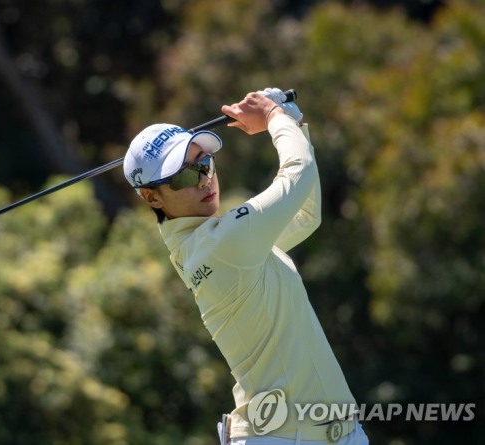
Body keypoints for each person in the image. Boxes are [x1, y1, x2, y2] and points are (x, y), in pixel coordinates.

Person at [123, 89, 369, 444]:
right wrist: (274, 117)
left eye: (204, 163)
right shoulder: (222, 243)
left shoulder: (211, 243)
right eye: (185, 176)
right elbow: (296, 173)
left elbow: (305, 214)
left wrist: (293, 123)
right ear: (152, 197)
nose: (205, 179)